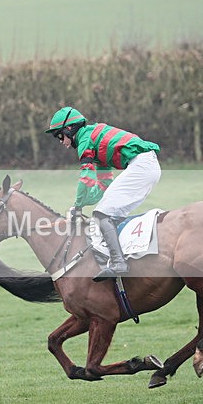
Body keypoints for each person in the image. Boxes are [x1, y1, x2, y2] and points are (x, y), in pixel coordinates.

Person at [45, 106, 161, 281]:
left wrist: (77, 206)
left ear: (70, 129)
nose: (60, 141)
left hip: (141, 166)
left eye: (59, 135)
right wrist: (82, 204)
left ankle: (118, 263)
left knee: (102, 213)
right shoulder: (95, 142)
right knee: (107, 212)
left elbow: (86, 178)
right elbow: (102, 186)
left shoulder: (85, 139)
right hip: (146, 166)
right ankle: (123, 255)